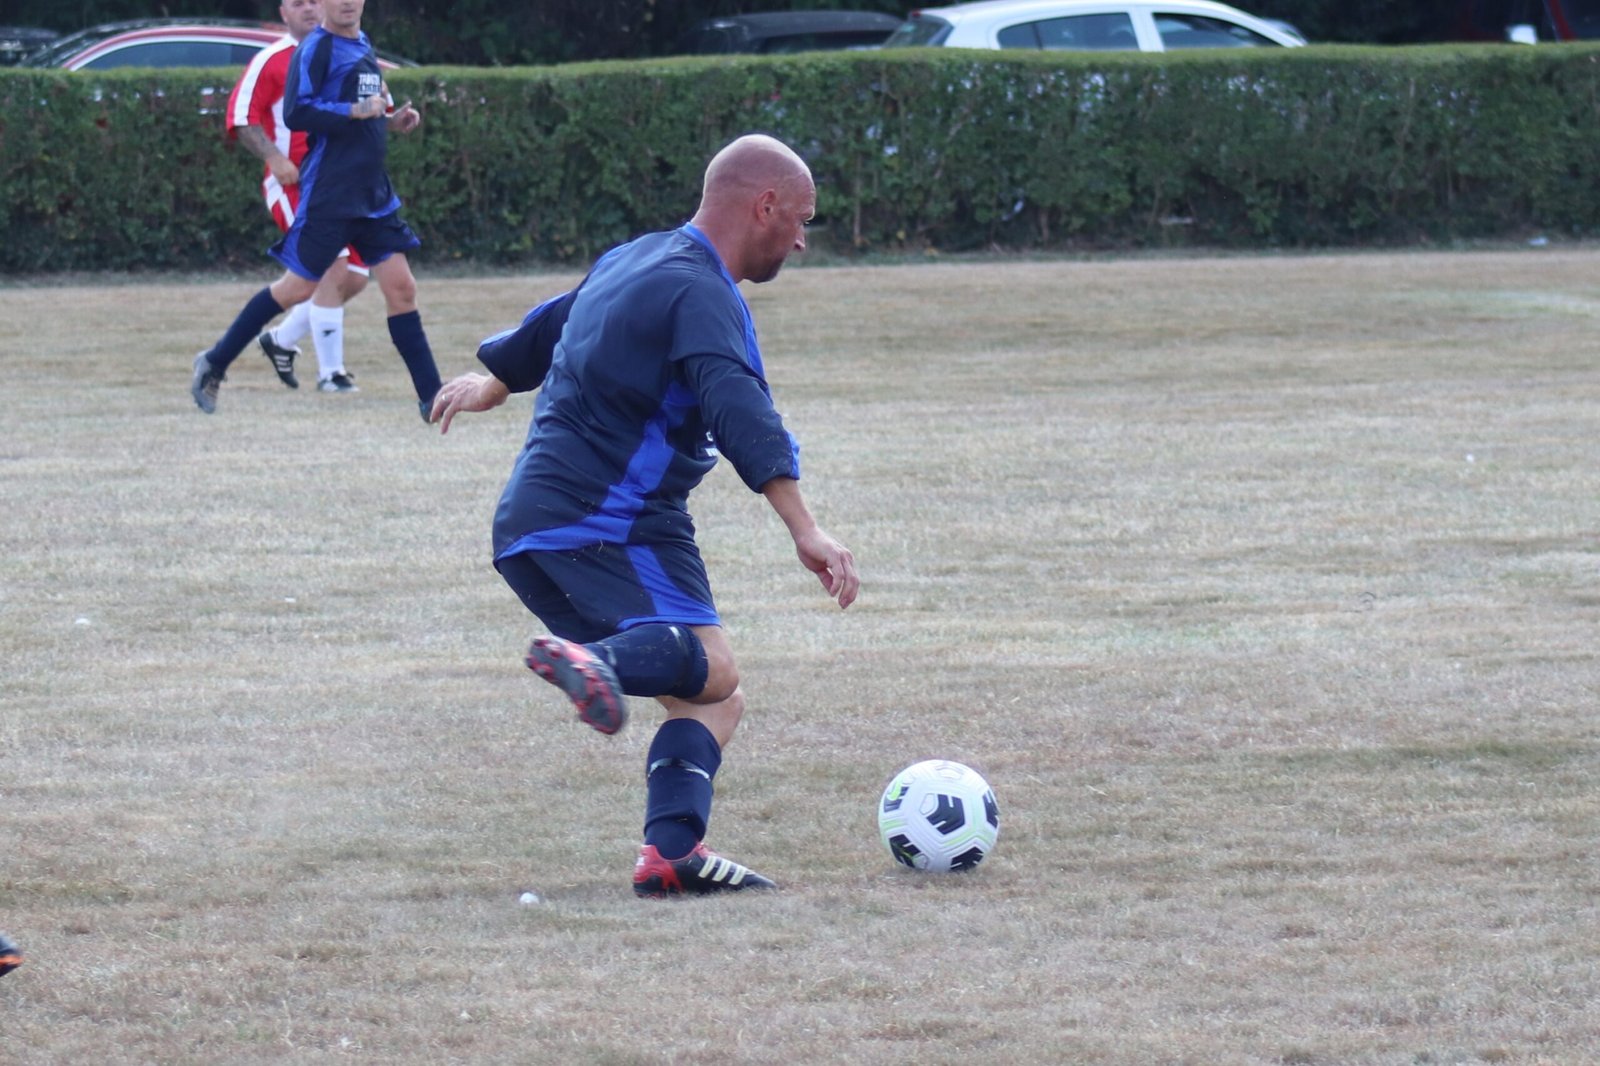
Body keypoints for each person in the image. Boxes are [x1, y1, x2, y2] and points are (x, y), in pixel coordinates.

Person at [429, 134, 859, 898]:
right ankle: (599, 662)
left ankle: (671, 855)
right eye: (801, 219)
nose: (801, 239)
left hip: (537, 524)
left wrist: (496, 380)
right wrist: (806, 528)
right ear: (764, 206)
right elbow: (738, 407)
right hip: (608, 520)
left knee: (714, 699)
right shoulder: (704, 293)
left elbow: (557, 321)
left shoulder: (636, 257)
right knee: (714, 666)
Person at [190, 0, 440, 420]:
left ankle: (432, 397)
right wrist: (353, 111)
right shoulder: (316, 48)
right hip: (330, 194)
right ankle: (215, 362)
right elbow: (298, 111)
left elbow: (368, 110)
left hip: (373, 194)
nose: (346, 2)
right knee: (296, 289)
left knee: (402, 288)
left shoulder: (362, 43)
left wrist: (391, 121)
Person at [227, 0, 367, 395]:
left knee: (355, 278)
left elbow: (366, 109)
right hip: (294, 186)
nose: (308, 9)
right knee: (333, 268)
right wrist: (275, 158)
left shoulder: (347, 51)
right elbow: (242, 117)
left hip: (339, 185)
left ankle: (281, 340)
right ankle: (332, 375)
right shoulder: (272, 60)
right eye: (297, 3)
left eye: (314, 1)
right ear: (283, 12)